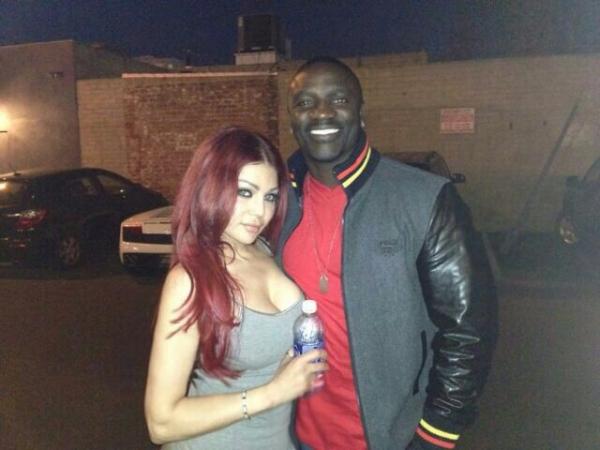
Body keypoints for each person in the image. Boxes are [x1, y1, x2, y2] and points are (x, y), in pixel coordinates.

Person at [276, 57, 498, 450]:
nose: (322, 113)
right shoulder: (275, 202)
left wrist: (436, 433)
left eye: (338, 99)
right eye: (305, 103)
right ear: (292, 119)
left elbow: (469, 329)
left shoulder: (425, 199)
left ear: (360, 113)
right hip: (297, 437)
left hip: (393, 438)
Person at [144, 127, 328, 450]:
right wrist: (272, 393)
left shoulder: (264, 249)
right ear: (211, 188)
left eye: (270, 196)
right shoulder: (190, 280)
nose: (260, 212)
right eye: (245, 192)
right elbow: (161, 422)